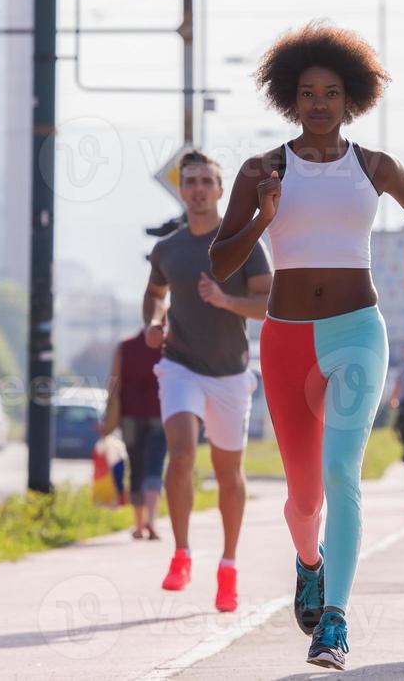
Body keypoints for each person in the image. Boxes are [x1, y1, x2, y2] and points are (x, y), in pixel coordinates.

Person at [210, 23, 404, 671]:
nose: (318, 104)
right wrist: (261, 215)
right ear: (290, 98)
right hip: (285, 342)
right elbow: (222, 258)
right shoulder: (263, 169)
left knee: (343, 473)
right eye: (307, 93)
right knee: (303, 497)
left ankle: (334, 622)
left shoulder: (373, 165)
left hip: (356, 332)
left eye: (330, 93)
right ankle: (307, 564)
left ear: (351, 99)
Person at [144, 149, 272, 614]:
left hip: (231, 373)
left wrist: (224, 300)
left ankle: (229, 566)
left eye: (206, 182)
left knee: (227, 472)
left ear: (220, 190)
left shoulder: (243, 245)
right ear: (182, 190)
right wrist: (154, 323)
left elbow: (267, 304)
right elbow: (155, 295)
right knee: (180, 453)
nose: (197, 189)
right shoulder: (169, 248)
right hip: (179, 364)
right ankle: (181, 553)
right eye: (190, 181)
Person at [100, 328, 167, 540]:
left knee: (136, 468)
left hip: (129, 416)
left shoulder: (125, 346)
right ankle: (152, 521)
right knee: (154, 467)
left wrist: (108, 414)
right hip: (160, 412)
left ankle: (138, 525)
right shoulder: (168, 346)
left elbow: (114, 381)